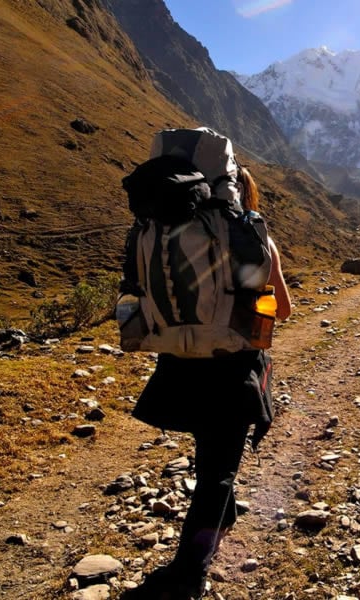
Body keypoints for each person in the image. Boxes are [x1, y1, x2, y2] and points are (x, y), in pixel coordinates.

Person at [124, 166, 292, 600]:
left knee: (209, 453)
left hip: (179, 360)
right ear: (239, 195)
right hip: (231, 369)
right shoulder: (253, 236)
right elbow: (284, 310)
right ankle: (189, 571)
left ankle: (224, 512)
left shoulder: (159, 230)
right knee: (218, 471)